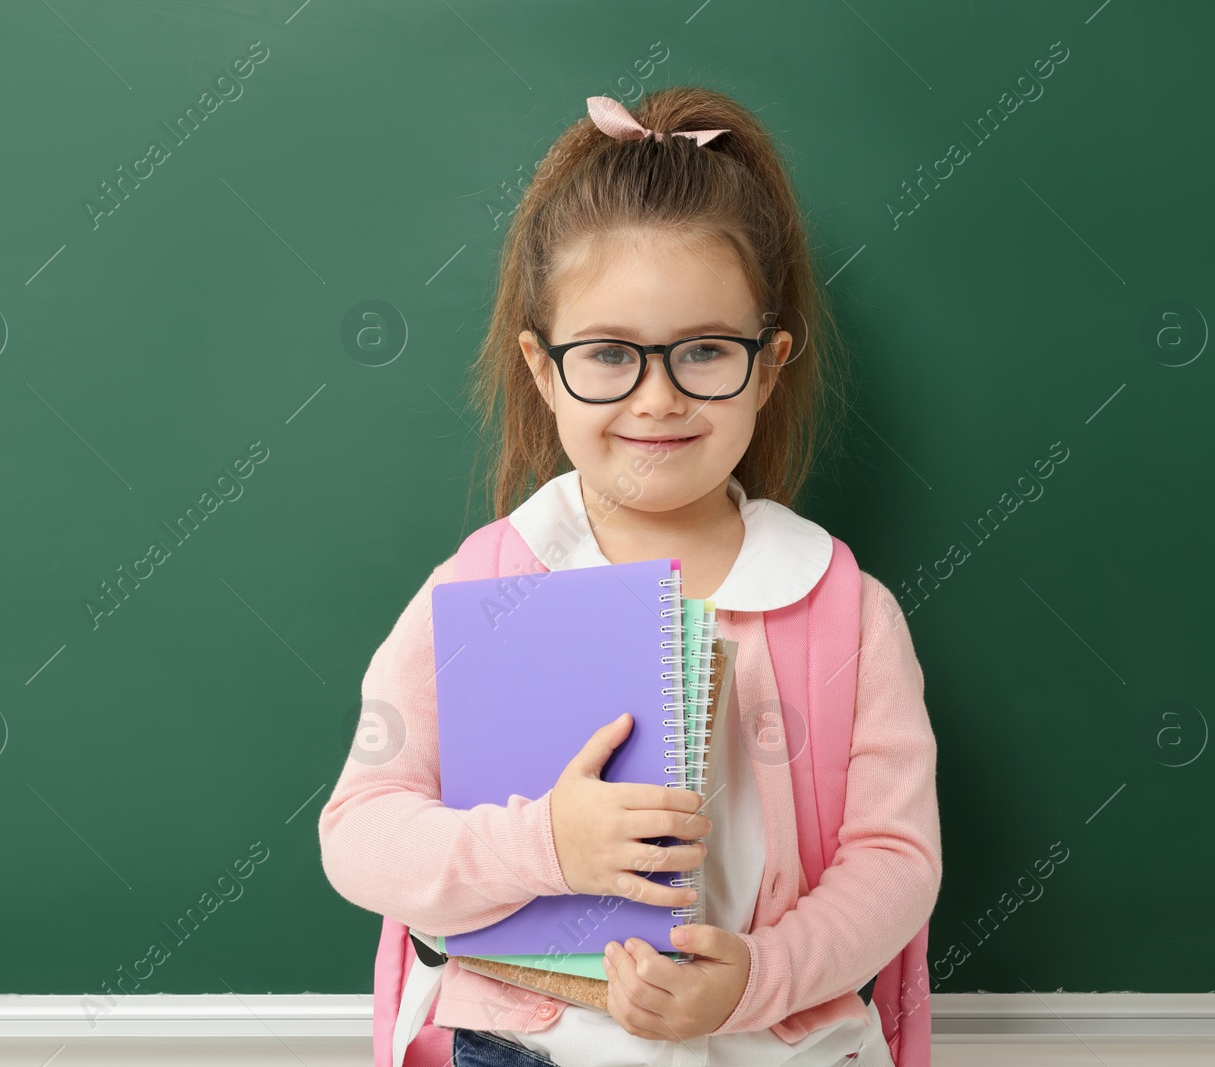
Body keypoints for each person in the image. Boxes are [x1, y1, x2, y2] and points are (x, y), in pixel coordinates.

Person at [320, 87, 941, 1067]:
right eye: (608, 353)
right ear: (541, 365)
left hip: (772, 1040)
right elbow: (360, 833)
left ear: (768, 365)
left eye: (703, 351)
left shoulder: (840, 605)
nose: (656, 398)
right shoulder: (487, 582)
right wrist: (545, 845)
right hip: (530, 1042)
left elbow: (894, 863)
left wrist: (756, 975)